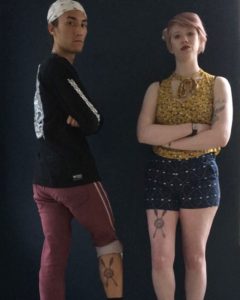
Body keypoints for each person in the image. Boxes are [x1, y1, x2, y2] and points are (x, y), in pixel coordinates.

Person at [137, 12, 232, 300]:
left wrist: (167, 139)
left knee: (195, 258)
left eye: (190, 33)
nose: (184, 40)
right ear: (169, 44)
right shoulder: (157, 88)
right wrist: (192, 129)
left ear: (201, 40)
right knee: (160, 260)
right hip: (160, 176)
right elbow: (143, 134)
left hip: (201, 174)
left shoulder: (218, 84)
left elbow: (220, 137)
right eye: (177, 35)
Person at [32, 1, 123, 299]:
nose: (79, 30)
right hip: (75, 176)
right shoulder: (58, 68)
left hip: (44, 180)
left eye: (83, 24)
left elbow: (81, 117)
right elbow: (93, 119)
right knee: (107, 239)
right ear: (52, 29)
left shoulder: (46, 70)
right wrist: (84, 118)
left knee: (54, 252)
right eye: (70, 22)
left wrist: (81, 117)